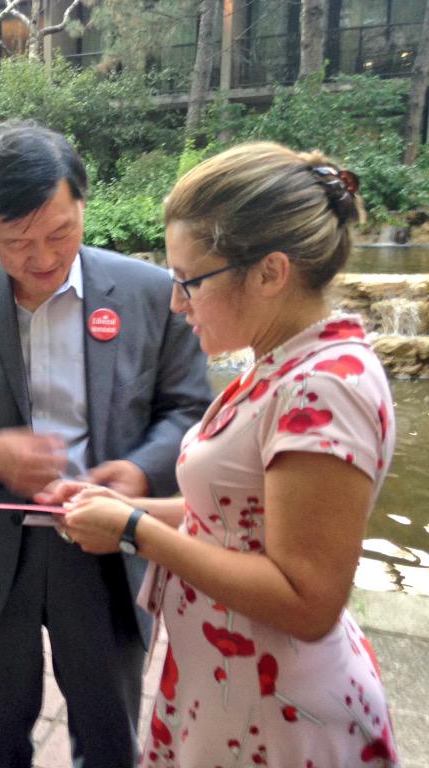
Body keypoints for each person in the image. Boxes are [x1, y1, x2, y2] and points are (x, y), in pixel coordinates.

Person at [53, 142, 400, 766]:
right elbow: (235, 520)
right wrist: (129, 508)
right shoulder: (284, 363)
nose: (175, 303)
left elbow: (307, 601)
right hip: (236, 686)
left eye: (189, 281)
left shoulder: (325, 386)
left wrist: (133, 531)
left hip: (278, 711)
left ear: (270, 273)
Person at [0, 121, 211, 767]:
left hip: (107, 549)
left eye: (61, 233)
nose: (43, 258)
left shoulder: (149, 293)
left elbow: (187, 409)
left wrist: (137, 471)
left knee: (107, 738)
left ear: (82, 207)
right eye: (17, 242)